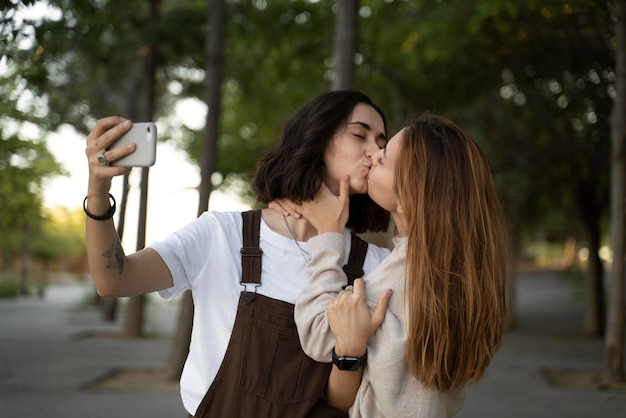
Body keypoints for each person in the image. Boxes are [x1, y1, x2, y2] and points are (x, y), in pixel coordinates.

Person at [82, 90, 393, 418]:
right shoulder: (221, 235)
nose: (377, 151)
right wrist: (98, 192)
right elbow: (114, 280)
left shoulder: (375, 265)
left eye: (382, 142)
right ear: (316, 136)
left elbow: (343, 398)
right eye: (360, 135)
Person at [290, 114, 511, 417]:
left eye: (383, 158)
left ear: (407, 198)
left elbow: (318, 332)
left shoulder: (396, 283)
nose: (373, 153)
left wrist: (328, 236)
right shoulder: (457, 274)